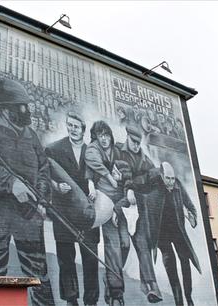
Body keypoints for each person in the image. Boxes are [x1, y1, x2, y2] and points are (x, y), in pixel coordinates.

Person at [0, 79, 55, 306]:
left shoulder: (31, 136)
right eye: (20, 106)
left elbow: (44, 168)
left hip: (29, 218)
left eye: (26, 105)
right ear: (5, 108)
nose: (26, 111)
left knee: (39, 279)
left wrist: (42, 197)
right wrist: (11, 183)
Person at [45, 112, 100, 306]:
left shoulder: (93, 153)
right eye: (70, 125)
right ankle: (71, 299)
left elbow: (102, 178)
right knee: (66, 259)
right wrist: (56, 186)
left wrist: (94, 186)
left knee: (91, 260)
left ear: (83, 129)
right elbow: (43, 173)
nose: (72, 129)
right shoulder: (53, 149)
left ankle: (91, 301)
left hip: (88, 213)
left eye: (76, 126)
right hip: (64, 212)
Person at [85, 121, 131, 306]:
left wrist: (122, 178)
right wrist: (90, 184)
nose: (104, 139)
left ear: (110, 135)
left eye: (106, 135)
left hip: (121, 203)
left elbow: (129, 173)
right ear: (96, 136)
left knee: (125, 245)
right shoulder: (93, 150)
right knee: (113, 247)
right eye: (100, 135)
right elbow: (90, 168)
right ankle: (116, 293)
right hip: (105, 202)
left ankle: (110, 278)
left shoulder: (119, 150)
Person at [114, 125, 162, 303]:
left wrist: (137, 182)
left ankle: (151, 286)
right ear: (127, 137)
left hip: (137, 207)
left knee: (143, 245)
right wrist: (135, 183)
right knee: (123, 246)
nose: (136, 145)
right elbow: (121, 172)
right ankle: (114, 284)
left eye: (138, 142)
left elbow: (155, 175)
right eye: (134, 142)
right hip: (120, 205)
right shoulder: (117, 149)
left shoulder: (144, 158)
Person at [151, 162, 201, 306]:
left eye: (173, 178)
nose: (171, 182)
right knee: (170, 265)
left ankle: (188, 297)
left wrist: (192, 218)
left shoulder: (178, 186)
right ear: (161, 176)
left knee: (185, 262)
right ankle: (179, 301)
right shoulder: (155, 185)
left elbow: (191, 206)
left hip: (178, 230)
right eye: (168, 178)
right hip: (162, 235)